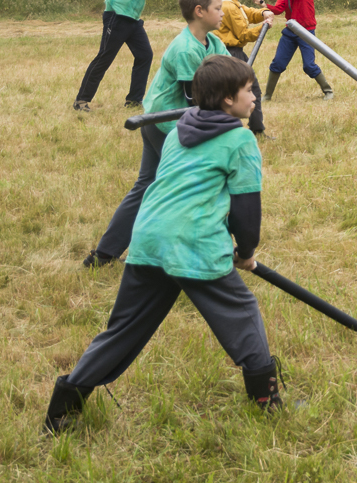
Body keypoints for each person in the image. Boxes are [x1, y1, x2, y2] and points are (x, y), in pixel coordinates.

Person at [45, 55, 284, 433]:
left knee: (123, 329)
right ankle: (267, 402)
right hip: (194, 245)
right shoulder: (240, 140)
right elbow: (246, 211)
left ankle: (62, 410)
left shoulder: (176, 134)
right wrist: (246, 252)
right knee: (242, 315)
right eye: (248, 90)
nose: (254, 96)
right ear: (227, 99)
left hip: (148, 240)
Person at [82, 0, 229, 268]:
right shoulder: (185, 49)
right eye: (218, 8)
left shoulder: (214, 43)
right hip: (167, 126)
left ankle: (104, 254)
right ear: (199, 11)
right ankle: (188, 254)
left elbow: (228, 75)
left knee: (146, 186)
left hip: (169, 123)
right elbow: (196, 101)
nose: (223, 13)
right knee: (192, 188)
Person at [73, 0, 201, 111]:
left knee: (144, 56)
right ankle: (81, 101)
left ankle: (134, 100)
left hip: (132, 20)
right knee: (104, 58)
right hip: (117, 17)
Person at [214, 0, 275, 136]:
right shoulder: (228, 6)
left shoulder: (232, 2)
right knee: (250, 90)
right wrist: (263, 27)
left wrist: (263, 12)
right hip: (231, 54)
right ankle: (254, 130)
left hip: (232, 53)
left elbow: (248, 13)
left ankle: (254, 128)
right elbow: (243, 35)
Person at [261, 0, 333, 101]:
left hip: (306, 31)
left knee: (309, 66)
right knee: (277, 63)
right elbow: (278, 10)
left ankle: (328, 91)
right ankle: (267, 96)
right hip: (290, 32)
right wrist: (263, 4)